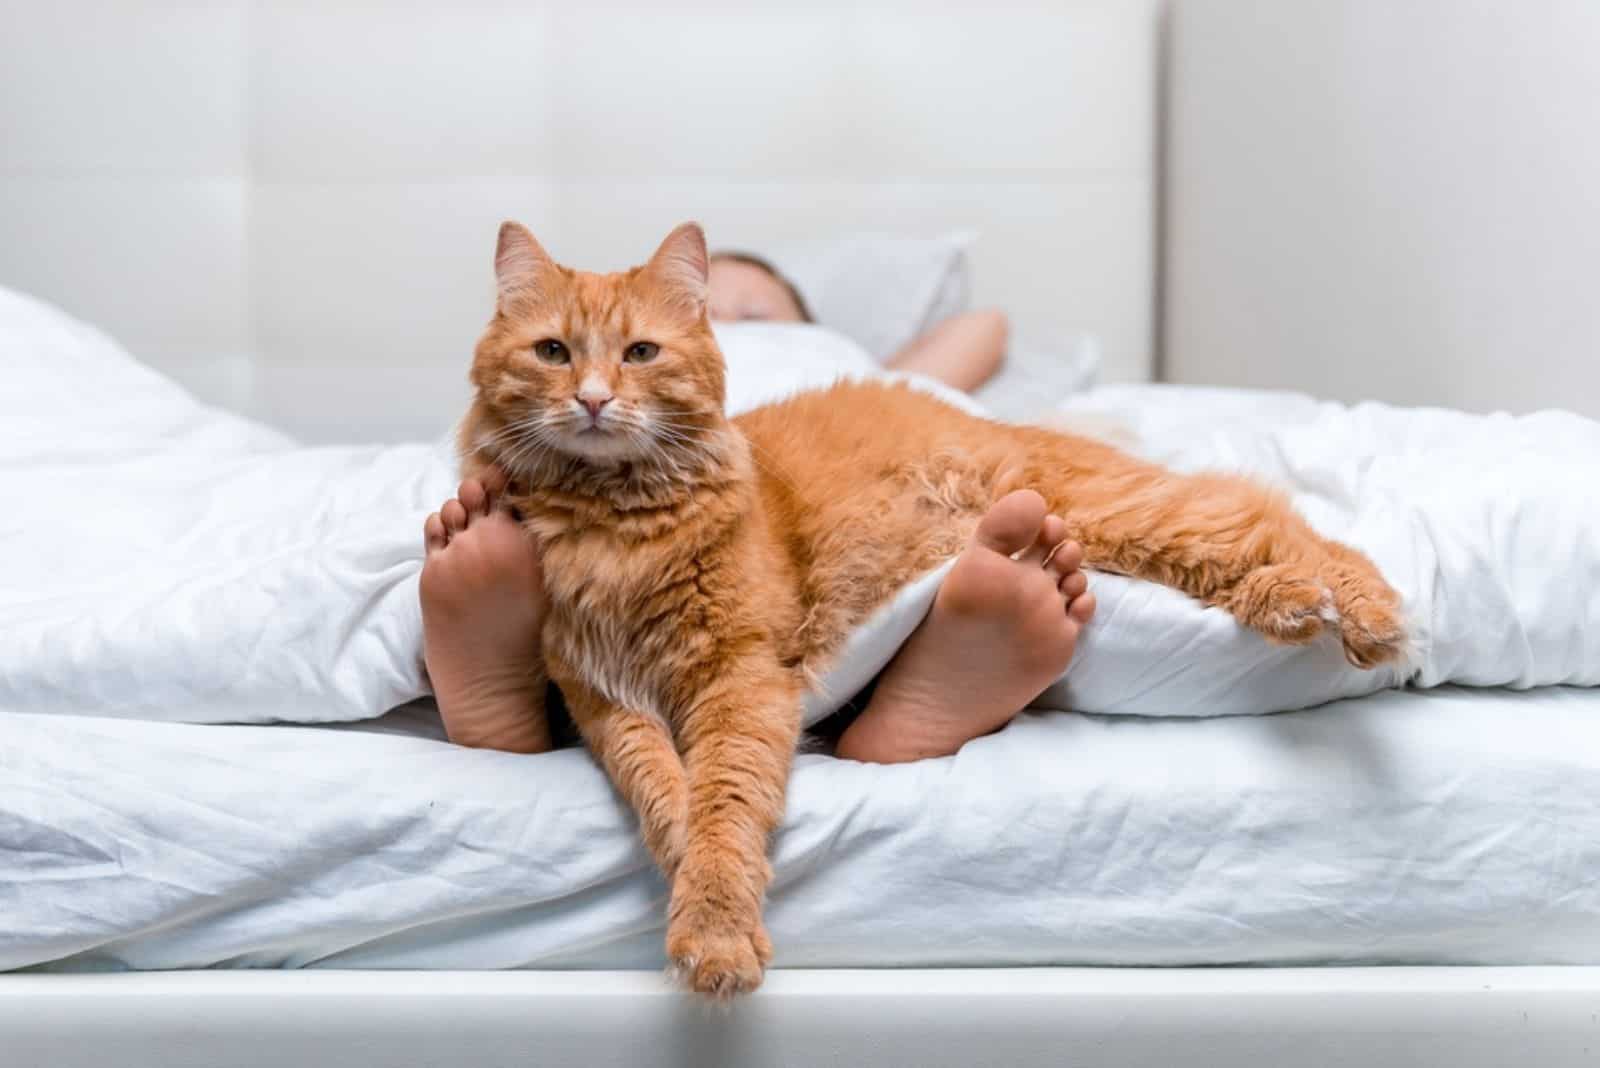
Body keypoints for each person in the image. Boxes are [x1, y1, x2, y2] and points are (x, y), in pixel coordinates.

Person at [421, 469, 1095, 764]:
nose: (737, 318)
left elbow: (986, 327)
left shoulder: (825, 352)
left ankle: (922, 681)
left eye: (757, 307)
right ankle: (513, 653)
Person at [706, 251, 1009, 393]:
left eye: (754, 317)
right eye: (705, 315)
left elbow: (987, 325)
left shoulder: (826, 359)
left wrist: (874, 376)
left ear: (809, 331)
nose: (729, 327)